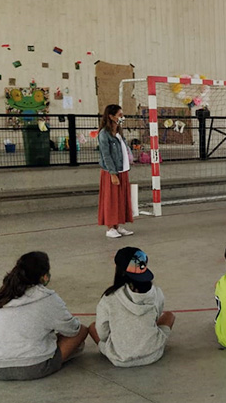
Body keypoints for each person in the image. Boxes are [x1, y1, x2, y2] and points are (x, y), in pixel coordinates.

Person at [0, 252, 88, 380]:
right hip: (34, 367)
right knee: (81, 331)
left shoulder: (3, 296)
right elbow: (72, 329)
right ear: (44, 276)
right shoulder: (47, 298)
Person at [88, 247, 174, 367]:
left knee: (93, 327)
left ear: (120, 270)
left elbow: (103, 334)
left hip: (119, 358)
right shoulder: (156, 292)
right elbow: (156, 316)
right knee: (169, 316)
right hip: (153, 353)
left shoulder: (109, 297)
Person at [98, 104, 134, 238]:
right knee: (111, 199)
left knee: (120, 199)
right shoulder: (104, 135)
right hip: (111, 171)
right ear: (111, 117)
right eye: (120, 115)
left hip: (123, 169)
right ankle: (110, 227)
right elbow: (106, 155)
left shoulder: (119, 133)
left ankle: (117, 225)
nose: (122, 118)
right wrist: (112, 173)